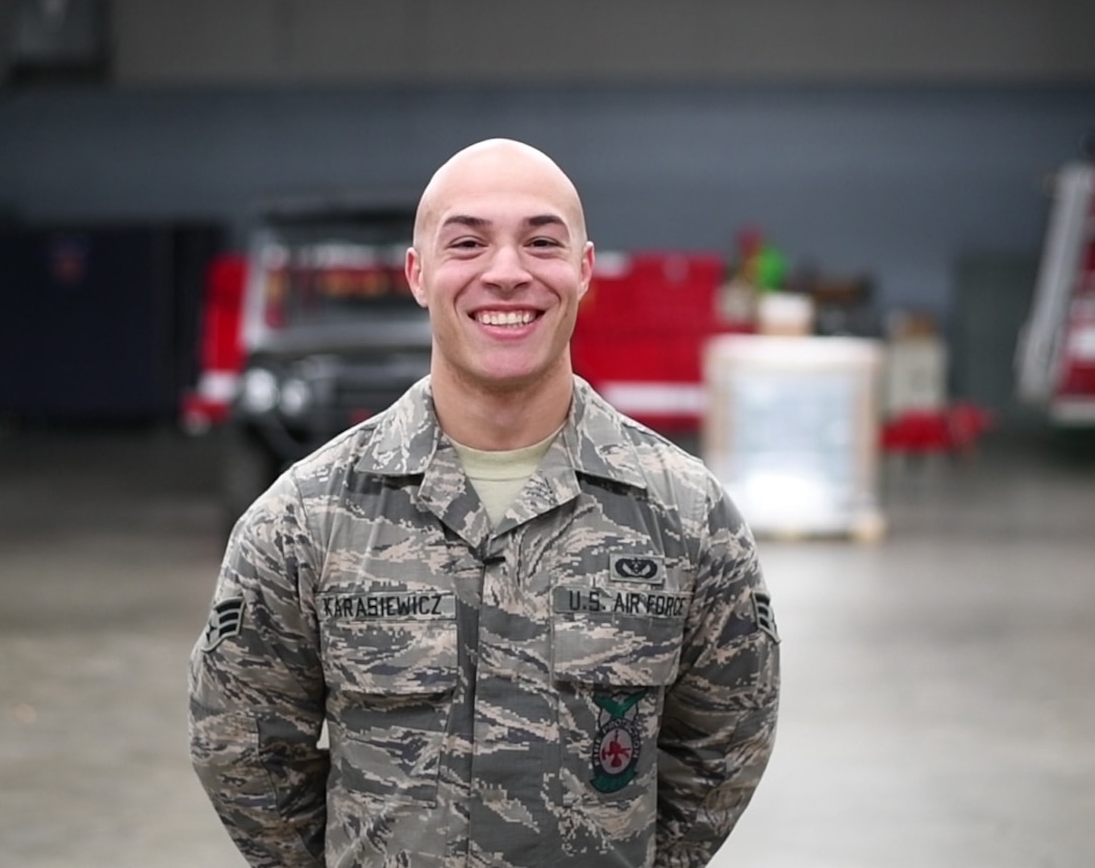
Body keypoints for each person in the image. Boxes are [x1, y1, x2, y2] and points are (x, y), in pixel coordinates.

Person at [189, 138, 780, 868]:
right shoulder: (305, 519)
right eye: (467, 242)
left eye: (541, 242)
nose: (507, 272)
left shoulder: (689, 518)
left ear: (584, 270)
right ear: (418, 272)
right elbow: (241, 741)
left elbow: (726, 736)